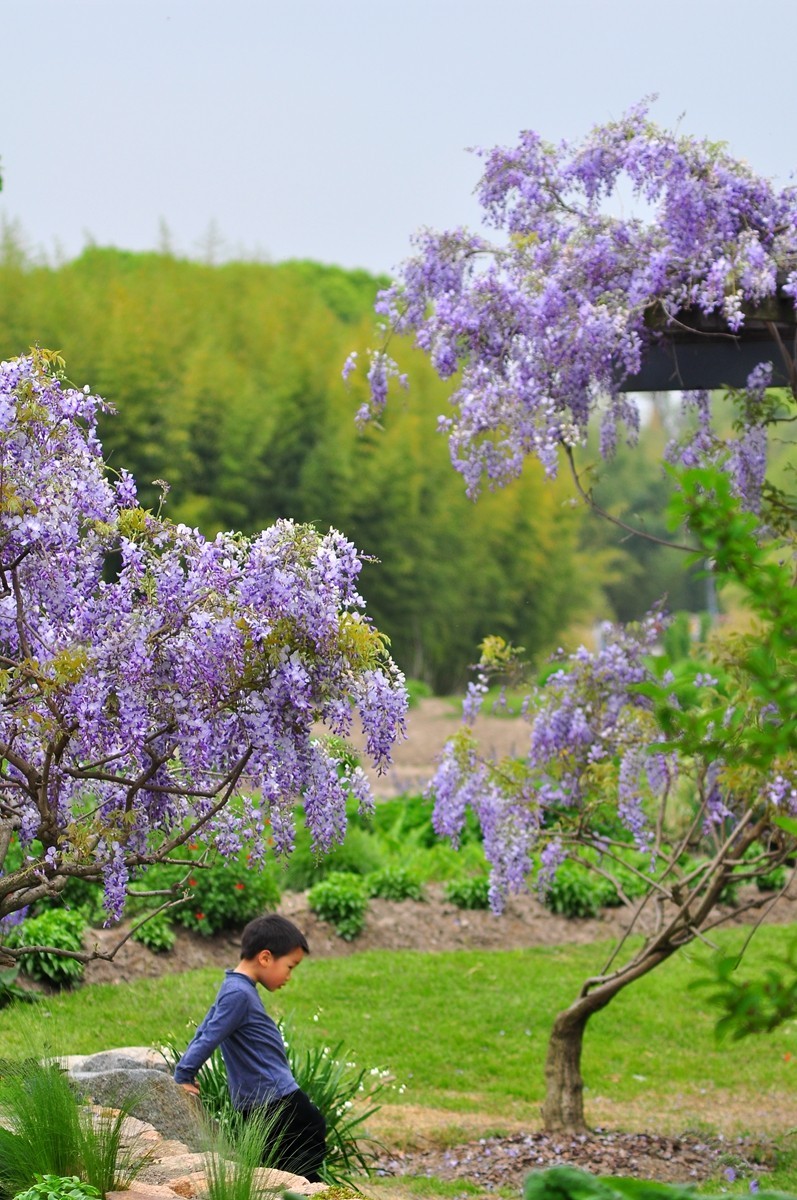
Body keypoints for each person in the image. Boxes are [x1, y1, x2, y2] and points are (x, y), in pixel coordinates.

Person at [174, 912, 327, 1181]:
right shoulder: (240, 993)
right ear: (265, 958)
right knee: (312, 1131)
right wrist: (184, 1074)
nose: (289, 976)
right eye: (290, 967)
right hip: (275, 1096)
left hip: (260, 1100)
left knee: (278, 1164)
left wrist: (183, 1071)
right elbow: (209, 1035)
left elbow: (205, 1028)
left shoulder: (233, 987)